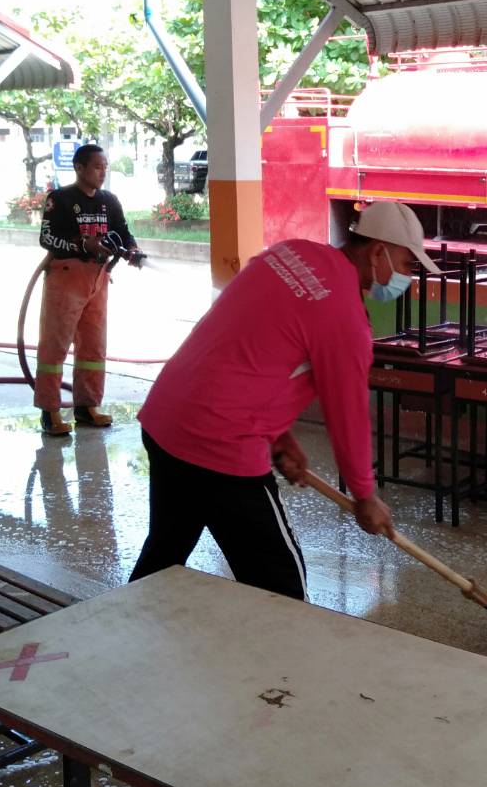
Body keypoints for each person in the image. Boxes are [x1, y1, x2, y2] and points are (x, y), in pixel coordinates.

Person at [128, 200, 438, 600]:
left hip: (167, 417)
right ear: (378, 252)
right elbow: (348, 415)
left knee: (163, 557)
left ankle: (118, 628)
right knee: (284, 591)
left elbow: (249, 350)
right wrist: (364, 495)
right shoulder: (345, 317)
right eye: (407, 264)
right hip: (220, 445)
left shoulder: (290, 253)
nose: (407, 277)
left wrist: (278, 436)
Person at [35, 143, 140, 437]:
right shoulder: (60, 199)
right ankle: (50, 411)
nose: (102, 172)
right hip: (66, 279)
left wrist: (132, 249)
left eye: (105, 166)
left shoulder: (109, 200)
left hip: (99, 278)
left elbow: (123, 231)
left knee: (93, 346)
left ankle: (87, 406)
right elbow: (47, 239)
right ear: (79, 168)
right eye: (96, 167)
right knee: (55, 345)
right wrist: (83, 245)